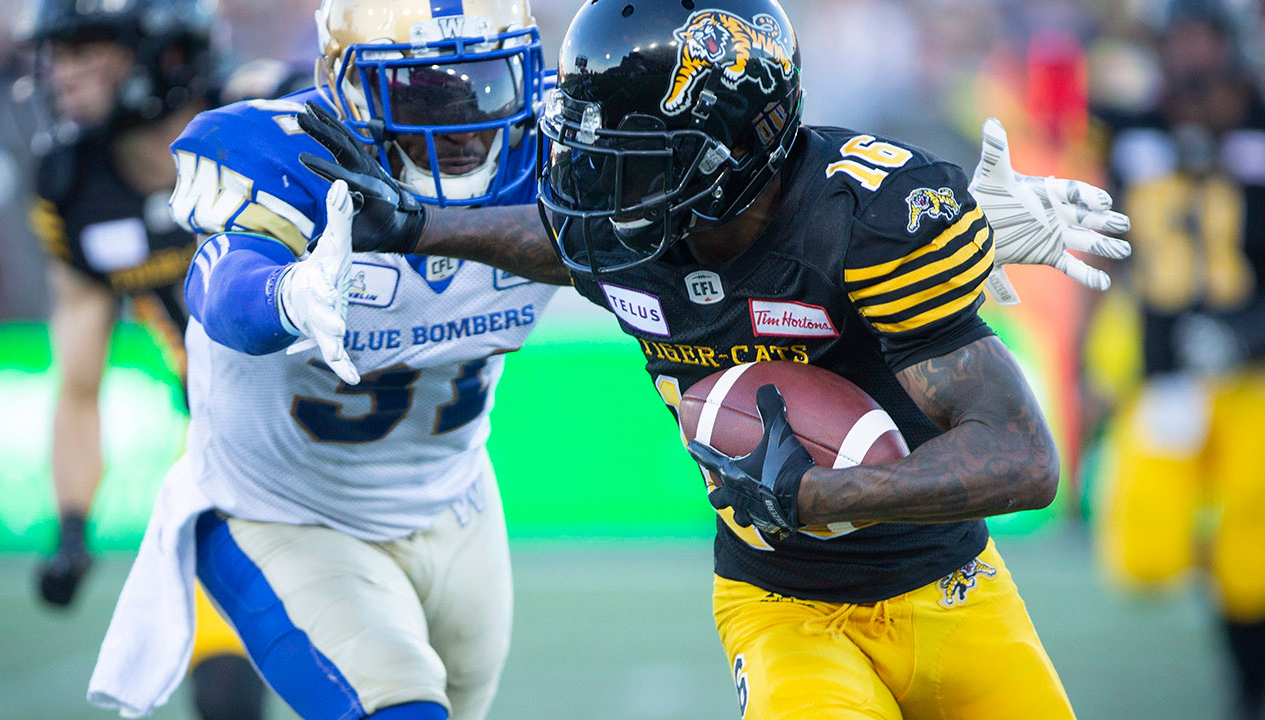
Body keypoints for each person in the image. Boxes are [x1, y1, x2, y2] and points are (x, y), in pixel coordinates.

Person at [291, 1, 1132, 717]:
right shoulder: (623, 232)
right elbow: (551, 239)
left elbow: (1023, 458)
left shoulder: (864, 220)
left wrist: (823, 493)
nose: (594, 182)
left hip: (952, 587)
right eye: (589, 149)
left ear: (730, 147)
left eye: (631, 152)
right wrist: (414, 225)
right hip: (780, 605)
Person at [87, 1, 556, 718]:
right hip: (280, 513)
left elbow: (632, 265)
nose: (464, 117)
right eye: (424, 88)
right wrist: (285, 295)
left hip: (454, 498)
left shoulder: (557, 154)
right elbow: (217, 284)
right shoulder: (293, 157)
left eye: (489, 80)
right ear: (352, 85)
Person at [15, 0, 290, 717]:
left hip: (352, 411)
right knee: (225, 687)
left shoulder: (268, 118)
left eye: (87, 49)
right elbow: (78, 382)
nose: (64, 74)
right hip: (221, 436)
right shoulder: (74, 187)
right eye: (61, 52)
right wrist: (71, 524)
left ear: (163, 51)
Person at [1091, 3, 1265, 718]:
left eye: (1204, 41)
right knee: (1144, 554)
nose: (1193, 59)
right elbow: (1113, 251)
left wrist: (1250, 331)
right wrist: (1104, 357)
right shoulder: (1132, 128)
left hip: (1255, 369)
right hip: (1166, 373)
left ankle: (1250, 680)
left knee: (1253, 556)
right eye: (1181, 42)